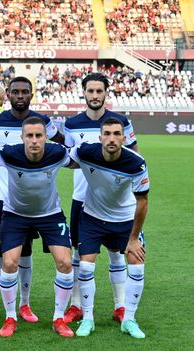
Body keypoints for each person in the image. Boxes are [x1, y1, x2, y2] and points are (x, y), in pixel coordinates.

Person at [0, 76, 65, 324]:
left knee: (25, 250)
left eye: (25, 91)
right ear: (8, 95)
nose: (20, 95)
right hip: (1, 196)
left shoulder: (42, 122)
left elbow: (61, 143)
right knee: (0, 250)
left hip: (33, 200)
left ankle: (24, 303)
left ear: (31, 95)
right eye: (16, 91)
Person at [0, 116, 74, 337]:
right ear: (22, 138)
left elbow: (79, 161)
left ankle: (58, 318)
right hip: (16, 215)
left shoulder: (58, 153)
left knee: (65, 262)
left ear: (46, 137)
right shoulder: (9, 154)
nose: (34, 140)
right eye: (29, 136)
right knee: (9, 263)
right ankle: (11, 317)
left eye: (38, 135)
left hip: (50, 215)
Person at [63, 72, 139, 324]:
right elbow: (70, 161)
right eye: (90, 91)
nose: (95, 95)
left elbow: (134, 156)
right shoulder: (71, 124)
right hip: (81, 197)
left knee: (117, 253)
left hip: (115, 201)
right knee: (79, 253)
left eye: (99, 91)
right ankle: (76, 305)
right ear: (83, 92)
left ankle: (120, 307)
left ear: (106, 93)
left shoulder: (120, 122)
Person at [69, 117, 149, 339]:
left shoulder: (136, 163)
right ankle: (87, 319)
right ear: (100, 136)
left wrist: (133, 239)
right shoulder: (85, 152)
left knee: (136, 264)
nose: (112, 138)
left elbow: (142, 203)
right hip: (93, 218)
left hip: (124, 221)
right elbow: (63, 159)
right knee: (85, 267)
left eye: (117, 134)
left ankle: (129, 319)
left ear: (124, 138)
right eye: (107, 134)